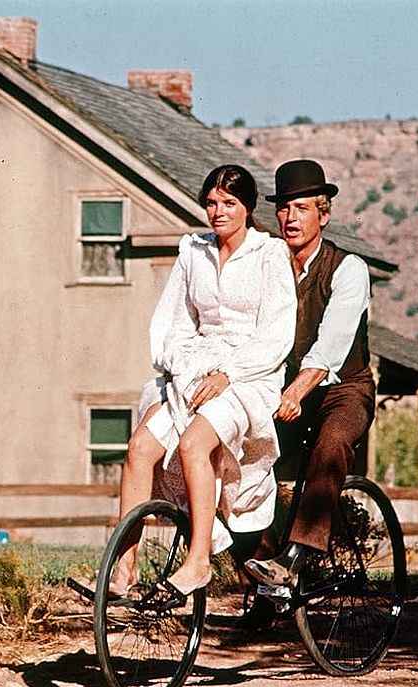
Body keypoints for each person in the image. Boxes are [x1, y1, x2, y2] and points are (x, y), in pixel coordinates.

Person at [110, 164, 296, 599]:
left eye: (229, 203)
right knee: (140, 449)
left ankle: (198, 563)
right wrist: (183, 367)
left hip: (249, 376)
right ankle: (124, 568)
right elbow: (172, 322)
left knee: (194, 443)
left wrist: (228, 373)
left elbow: (276, 334)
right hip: (193, 371)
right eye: (211, 203)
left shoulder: (269, 254)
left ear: (247, 207)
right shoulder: (193, 251)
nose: (218, 211)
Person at [244, 159, 375, 587]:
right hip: (285, 389)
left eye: (301, 209)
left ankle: (297, 554)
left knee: (331, 442)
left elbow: (330, 348)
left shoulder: (348, 268)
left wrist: (297, 392)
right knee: (245, 453)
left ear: (324, 214)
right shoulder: (270, 266)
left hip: (343, 389)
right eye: (283, 209)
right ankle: (260, 571)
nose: (290, 218)